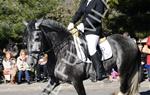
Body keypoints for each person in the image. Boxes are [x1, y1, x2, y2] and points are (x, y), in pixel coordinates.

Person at [67, 0, 106, 80]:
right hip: (83, 30)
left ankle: (100, 72)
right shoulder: (84, 2)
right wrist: (72, 22)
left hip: (93, 29)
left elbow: (97, 17)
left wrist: (83, 25)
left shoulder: (99, 2)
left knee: (91, 48)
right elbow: (79, 13)